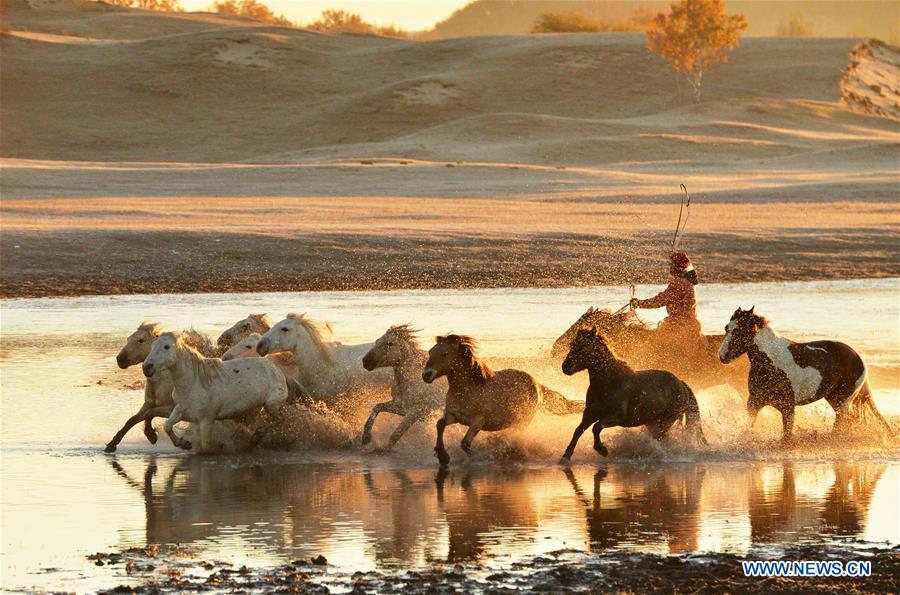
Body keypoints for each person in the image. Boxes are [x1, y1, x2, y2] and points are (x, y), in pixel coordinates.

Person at [630, 252, 703, 361]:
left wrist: (639, 303)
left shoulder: (679, 283)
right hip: (691, 324)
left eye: (672, 264)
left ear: (676, 266)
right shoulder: (689, 281)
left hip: (678, 326)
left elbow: (659, 301)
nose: (670, 266)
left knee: (655, 346)